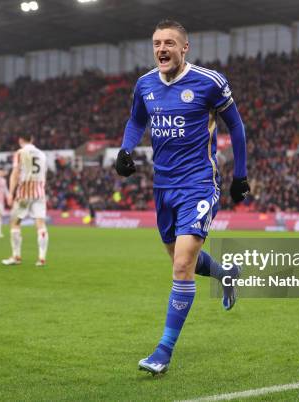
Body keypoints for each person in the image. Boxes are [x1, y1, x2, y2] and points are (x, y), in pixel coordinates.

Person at [115, 20, 250, 375]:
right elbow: (135, 121)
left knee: (181, 266)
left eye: (170, 43)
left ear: (184, 48)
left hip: (199, 183)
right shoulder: (145, 84)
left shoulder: (209, 82)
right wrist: (126, 150)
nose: (162, 48)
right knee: (178, 257)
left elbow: (235, 125)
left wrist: (240, 175)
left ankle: (163, 350)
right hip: (163, 187)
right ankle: (226, 274)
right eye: (157, 43)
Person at [1, 135, 49, 267]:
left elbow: (16, 173)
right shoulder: (42, 154)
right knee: (40, 225)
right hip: (39, 193)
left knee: (15, 223)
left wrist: (10, 193)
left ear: (20, 140)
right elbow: (44, 174)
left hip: (24, 193)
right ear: (32, 139)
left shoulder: (20, 152)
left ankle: (16, 257)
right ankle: (41, 258)